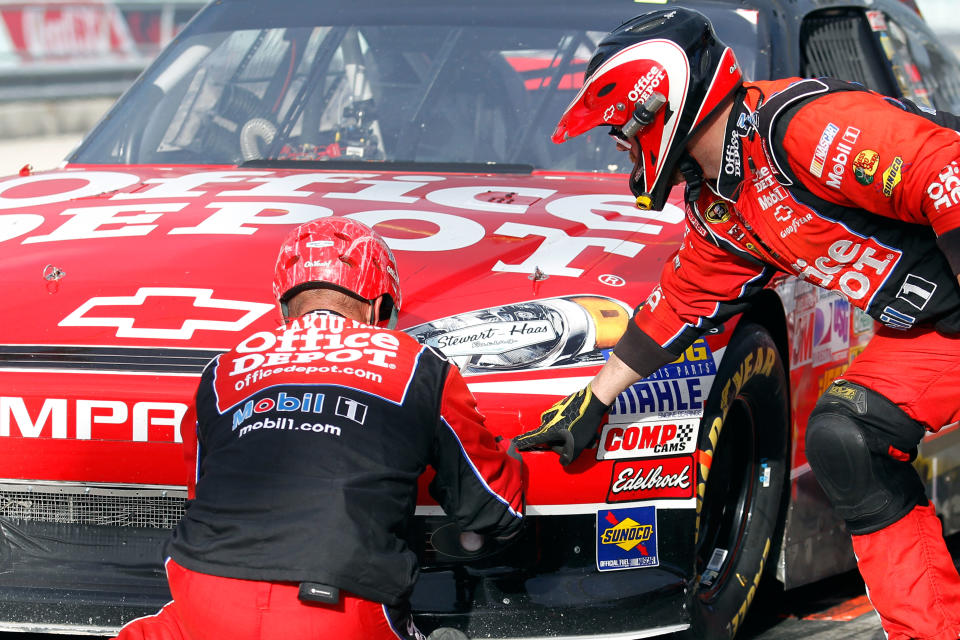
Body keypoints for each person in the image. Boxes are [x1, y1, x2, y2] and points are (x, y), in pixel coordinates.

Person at [514, 8, 960, 640]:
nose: (618, 147)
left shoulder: (798, 127)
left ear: (654, 106)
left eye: (618, 128)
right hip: (940, 325)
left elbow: (947, 172)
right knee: (848, 438)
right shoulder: (725, 202)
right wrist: (593, 399)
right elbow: (679, 304)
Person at [115, 217, 524, 640]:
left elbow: (203, 492)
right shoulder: (419, 364)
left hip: (203, 592)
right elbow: (493, 509)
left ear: (283, 306)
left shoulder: (224, 368)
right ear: (380, 307)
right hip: (339, 605)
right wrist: (513, 458)